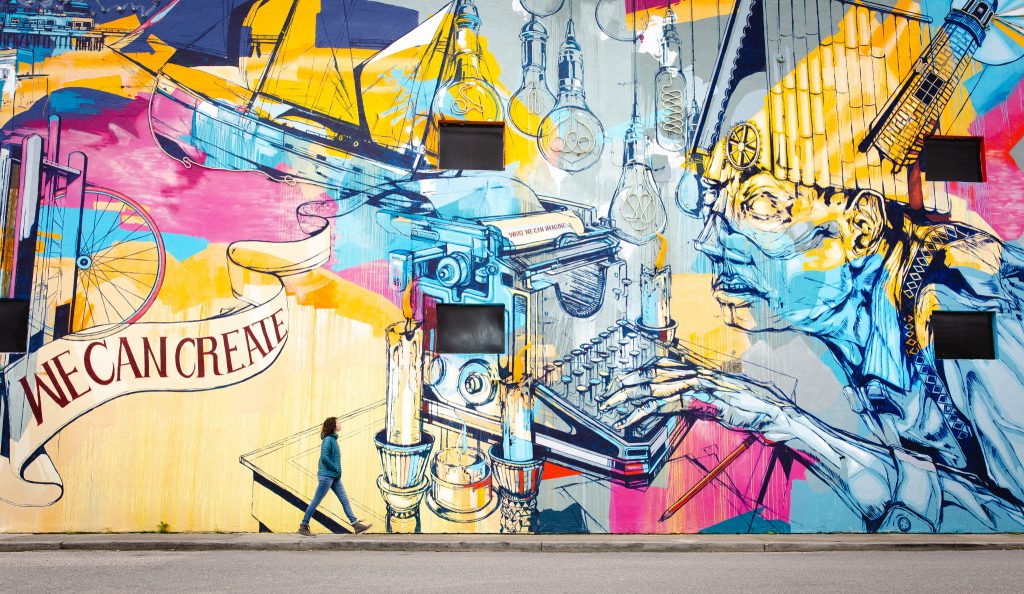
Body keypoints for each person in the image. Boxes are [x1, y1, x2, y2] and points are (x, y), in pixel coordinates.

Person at [601, 164, 1024, 532]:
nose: (711, 243)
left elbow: (1011, 521)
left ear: (860, 227)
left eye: (759, 205)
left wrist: (780, 418)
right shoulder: (868, 341)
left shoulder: (956, 298)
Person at [298, 417, 372, 536]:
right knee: (316, 501)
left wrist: (336, 471)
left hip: (334, 476)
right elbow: (324, 458)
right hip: (327, 476)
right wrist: (335, 468)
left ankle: (356, 525)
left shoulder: (333, 439)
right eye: (338, 422)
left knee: (344, 500)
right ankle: (303, 526)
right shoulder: (328, 440)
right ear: (333, 425)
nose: (340, 423)